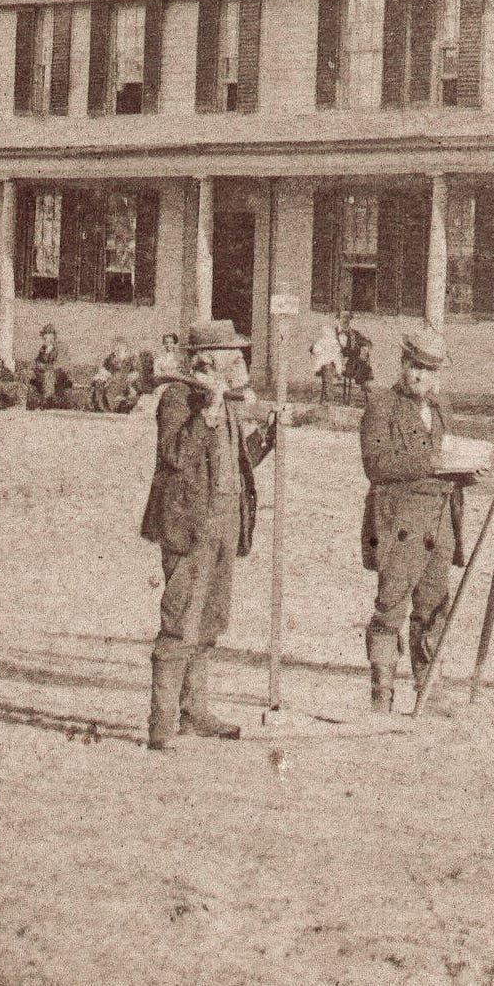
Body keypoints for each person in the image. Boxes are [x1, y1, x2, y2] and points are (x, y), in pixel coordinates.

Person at [138, 319, 276, 752]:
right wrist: (207, 414)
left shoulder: (226, 403)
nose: (241, 365)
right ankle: (161, 724)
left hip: (224, 527)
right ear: (207, 363)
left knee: (210, 621)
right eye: (233, 358)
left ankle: (194, 711)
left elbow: (239, 462)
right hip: (188, 528)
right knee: (179, 621)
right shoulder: (178, 399)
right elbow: (176, 456)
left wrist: (268, 434)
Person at [359, 325, 477, 710]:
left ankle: (429, 689)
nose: (419, 376)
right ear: (403, 364)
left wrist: (466, 471)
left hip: (441, 519)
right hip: (401, 520)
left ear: (439, 374)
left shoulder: (442, 408)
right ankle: (382, 694)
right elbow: (376, 465)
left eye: (428, 370)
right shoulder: (382, 405)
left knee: (434, 604)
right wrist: (430, 462)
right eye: (414, 367)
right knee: (391, 604)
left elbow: (446, 459)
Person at [25, 323, 72, 410]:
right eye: (43, 336)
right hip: (44, 373)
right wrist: (34, 366)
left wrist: (43, 367)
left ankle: (47, 400)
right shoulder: (44, 348)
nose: (44, 339)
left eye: (46, 336)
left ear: (53, 336)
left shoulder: (61, 346)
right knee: (28, 373)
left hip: (60, 375)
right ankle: (29, 400)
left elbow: (59, 365)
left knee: (49, 373)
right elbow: (36, 362)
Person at [91, 337, 141, 413]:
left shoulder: (132, 359)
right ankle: (106, 408)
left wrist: (131, 378)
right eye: (116, 347)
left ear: (125, 347)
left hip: (125, 381)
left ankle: (120, 404)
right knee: (100, 386)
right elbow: (104, 370)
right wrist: (101, 378)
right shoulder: (110, 358)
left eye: (121, 347)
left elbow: (136, 373)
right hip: (112, 381)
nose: (118, 349)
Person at [336, 310, 374, 401]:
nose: (345, 320)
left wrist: (366, 347)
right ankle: (363, 382)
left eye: (347, 318)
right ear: (338, 319)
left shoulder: (354, 333)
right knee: (358, 362)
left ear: (350, 320)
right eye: (343, 317)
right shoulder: (333, 332)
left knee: (362, 360)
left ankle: (362, 381)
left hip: (351, 362)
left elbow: (366, 342)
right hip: (337, 361)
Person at [310, 320, 343, 403]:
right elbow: (315, 351)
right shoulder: (321, 342)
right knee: (327, 369)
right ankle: (328, 396)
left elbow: (337, 356)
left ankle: (328, 395)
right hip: (325, 365)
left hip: (333, 365)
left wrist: (339, 371)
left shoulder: (335, 342)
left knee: (330, 368)